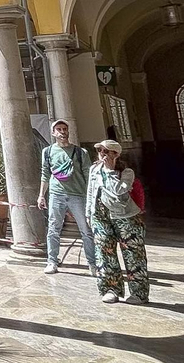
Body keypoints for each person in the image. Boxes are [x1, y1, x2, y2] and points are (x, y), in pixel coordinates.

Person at [86, 139, 148, 304]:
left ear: (116, 154)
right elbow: (91, 192)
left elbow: (119, 192)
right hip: (100, 217)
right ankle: (110, 289)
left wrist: (110, 170)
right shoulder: (94, 170)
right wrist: (88, 213)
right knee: (104, 253)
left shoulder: (126, 172)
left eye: (107, 151)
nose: (103, 155)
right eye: (100, 151)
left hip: (125, 217)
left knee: (133, 254)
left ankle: (139, 293)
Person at [37, 119, 94, 274]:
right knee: (53, 229)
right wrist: (41, 195)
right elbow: (45, 173)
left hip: (78, 194)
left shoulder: (81, 152)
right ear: (53, 133)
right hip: (56, 194)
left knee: (86, 230)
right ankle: (52, 261)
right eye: (59, 129)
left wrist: (91, 195)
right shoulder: (47, 152)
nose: (62, 132)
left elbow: (88, 174)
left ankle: (92, 263)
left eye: (64, 129)